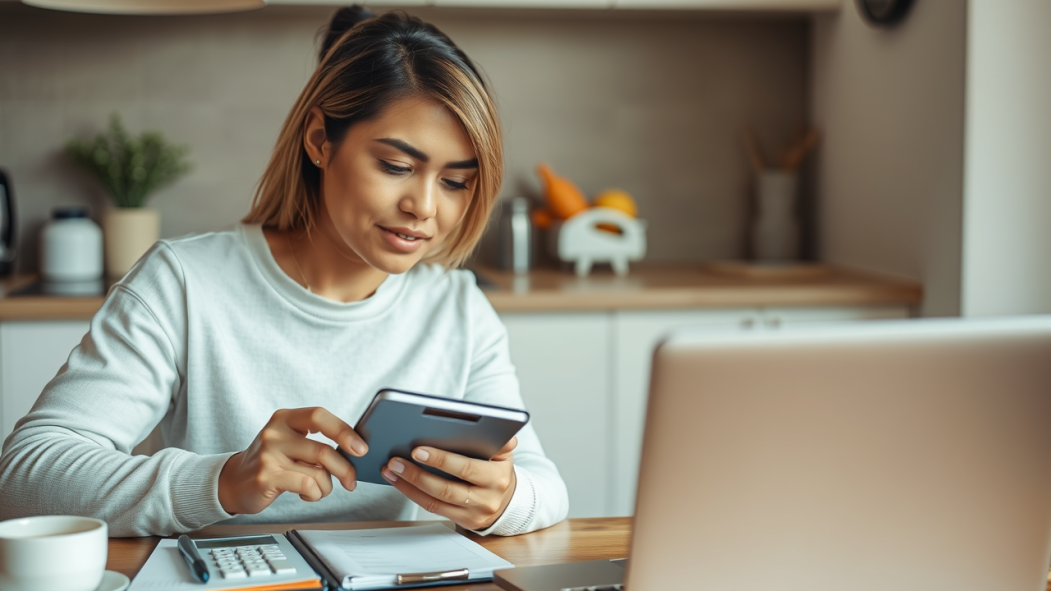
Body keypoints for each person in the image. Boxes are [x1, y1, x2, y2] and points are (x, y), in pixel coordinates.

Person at [0, 6, 569, 537]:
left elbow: (547, 488)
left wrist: (505, 499)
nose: (424, 206)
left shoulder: (457, 308)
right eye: (397, 166)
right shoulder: (183, 282)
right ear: (320, 140)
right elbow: (26, 475)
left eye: (455, 181)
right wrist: (221, 480)